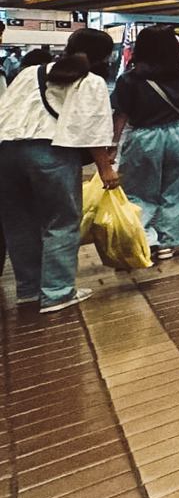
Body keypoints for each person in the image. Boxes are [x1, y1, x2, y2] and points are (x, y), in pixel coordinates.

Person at [0, 28, 118, 313]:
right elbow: (92, 126)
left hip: (6, 152)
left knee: (18, 224)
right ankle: (57, 293)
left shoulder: (29, 73)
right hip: (52, 153)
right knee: (61, 223)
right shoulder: (91, 81)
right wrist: (105, 169)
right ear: (103, 56)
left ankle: (28, 290)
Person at [111, 25, 179, 263]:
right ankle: (168, 242)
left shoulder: (129, 78)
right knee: (178, 189)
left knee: (138, 191)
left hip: (144, 137)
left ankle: (146, 239)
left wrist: (112, 144)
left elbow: (121, 115)